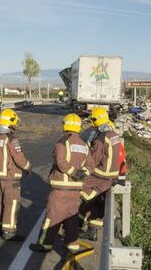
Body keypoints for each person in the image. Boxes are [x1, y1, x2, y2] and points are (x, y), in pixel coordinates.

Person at [29, 113, 94, 252]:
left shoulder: (62, 143)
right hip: (76, 189)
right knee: (71, 218)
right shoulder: (84, 145)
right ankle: (72, 245)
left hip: (61, 188)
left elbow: (61, 162)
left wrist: (73, 173)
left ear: (65, 126)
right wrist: (82, 174)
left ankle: (45, 245)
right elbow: (91, 166)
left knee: (52, 217)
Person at [78, 107, 120, 241]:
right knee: (98, 201)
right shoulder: (114, 135)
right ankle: (92, 231)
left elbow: (93, 161)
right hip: (112, 174)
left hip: (101, 174)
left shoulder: (101, 139)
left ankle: (79, 219)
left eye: (93, 121)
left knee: (78, 187)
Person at [0, 109, 31, 241]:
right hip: (10, 176)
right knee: (12, 203)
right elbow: (18, 158)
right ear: (10, 123)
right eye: (15, 123)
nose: (16, 125)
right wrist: (27, 167)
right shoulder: (11, 139)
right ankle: (9, 231)